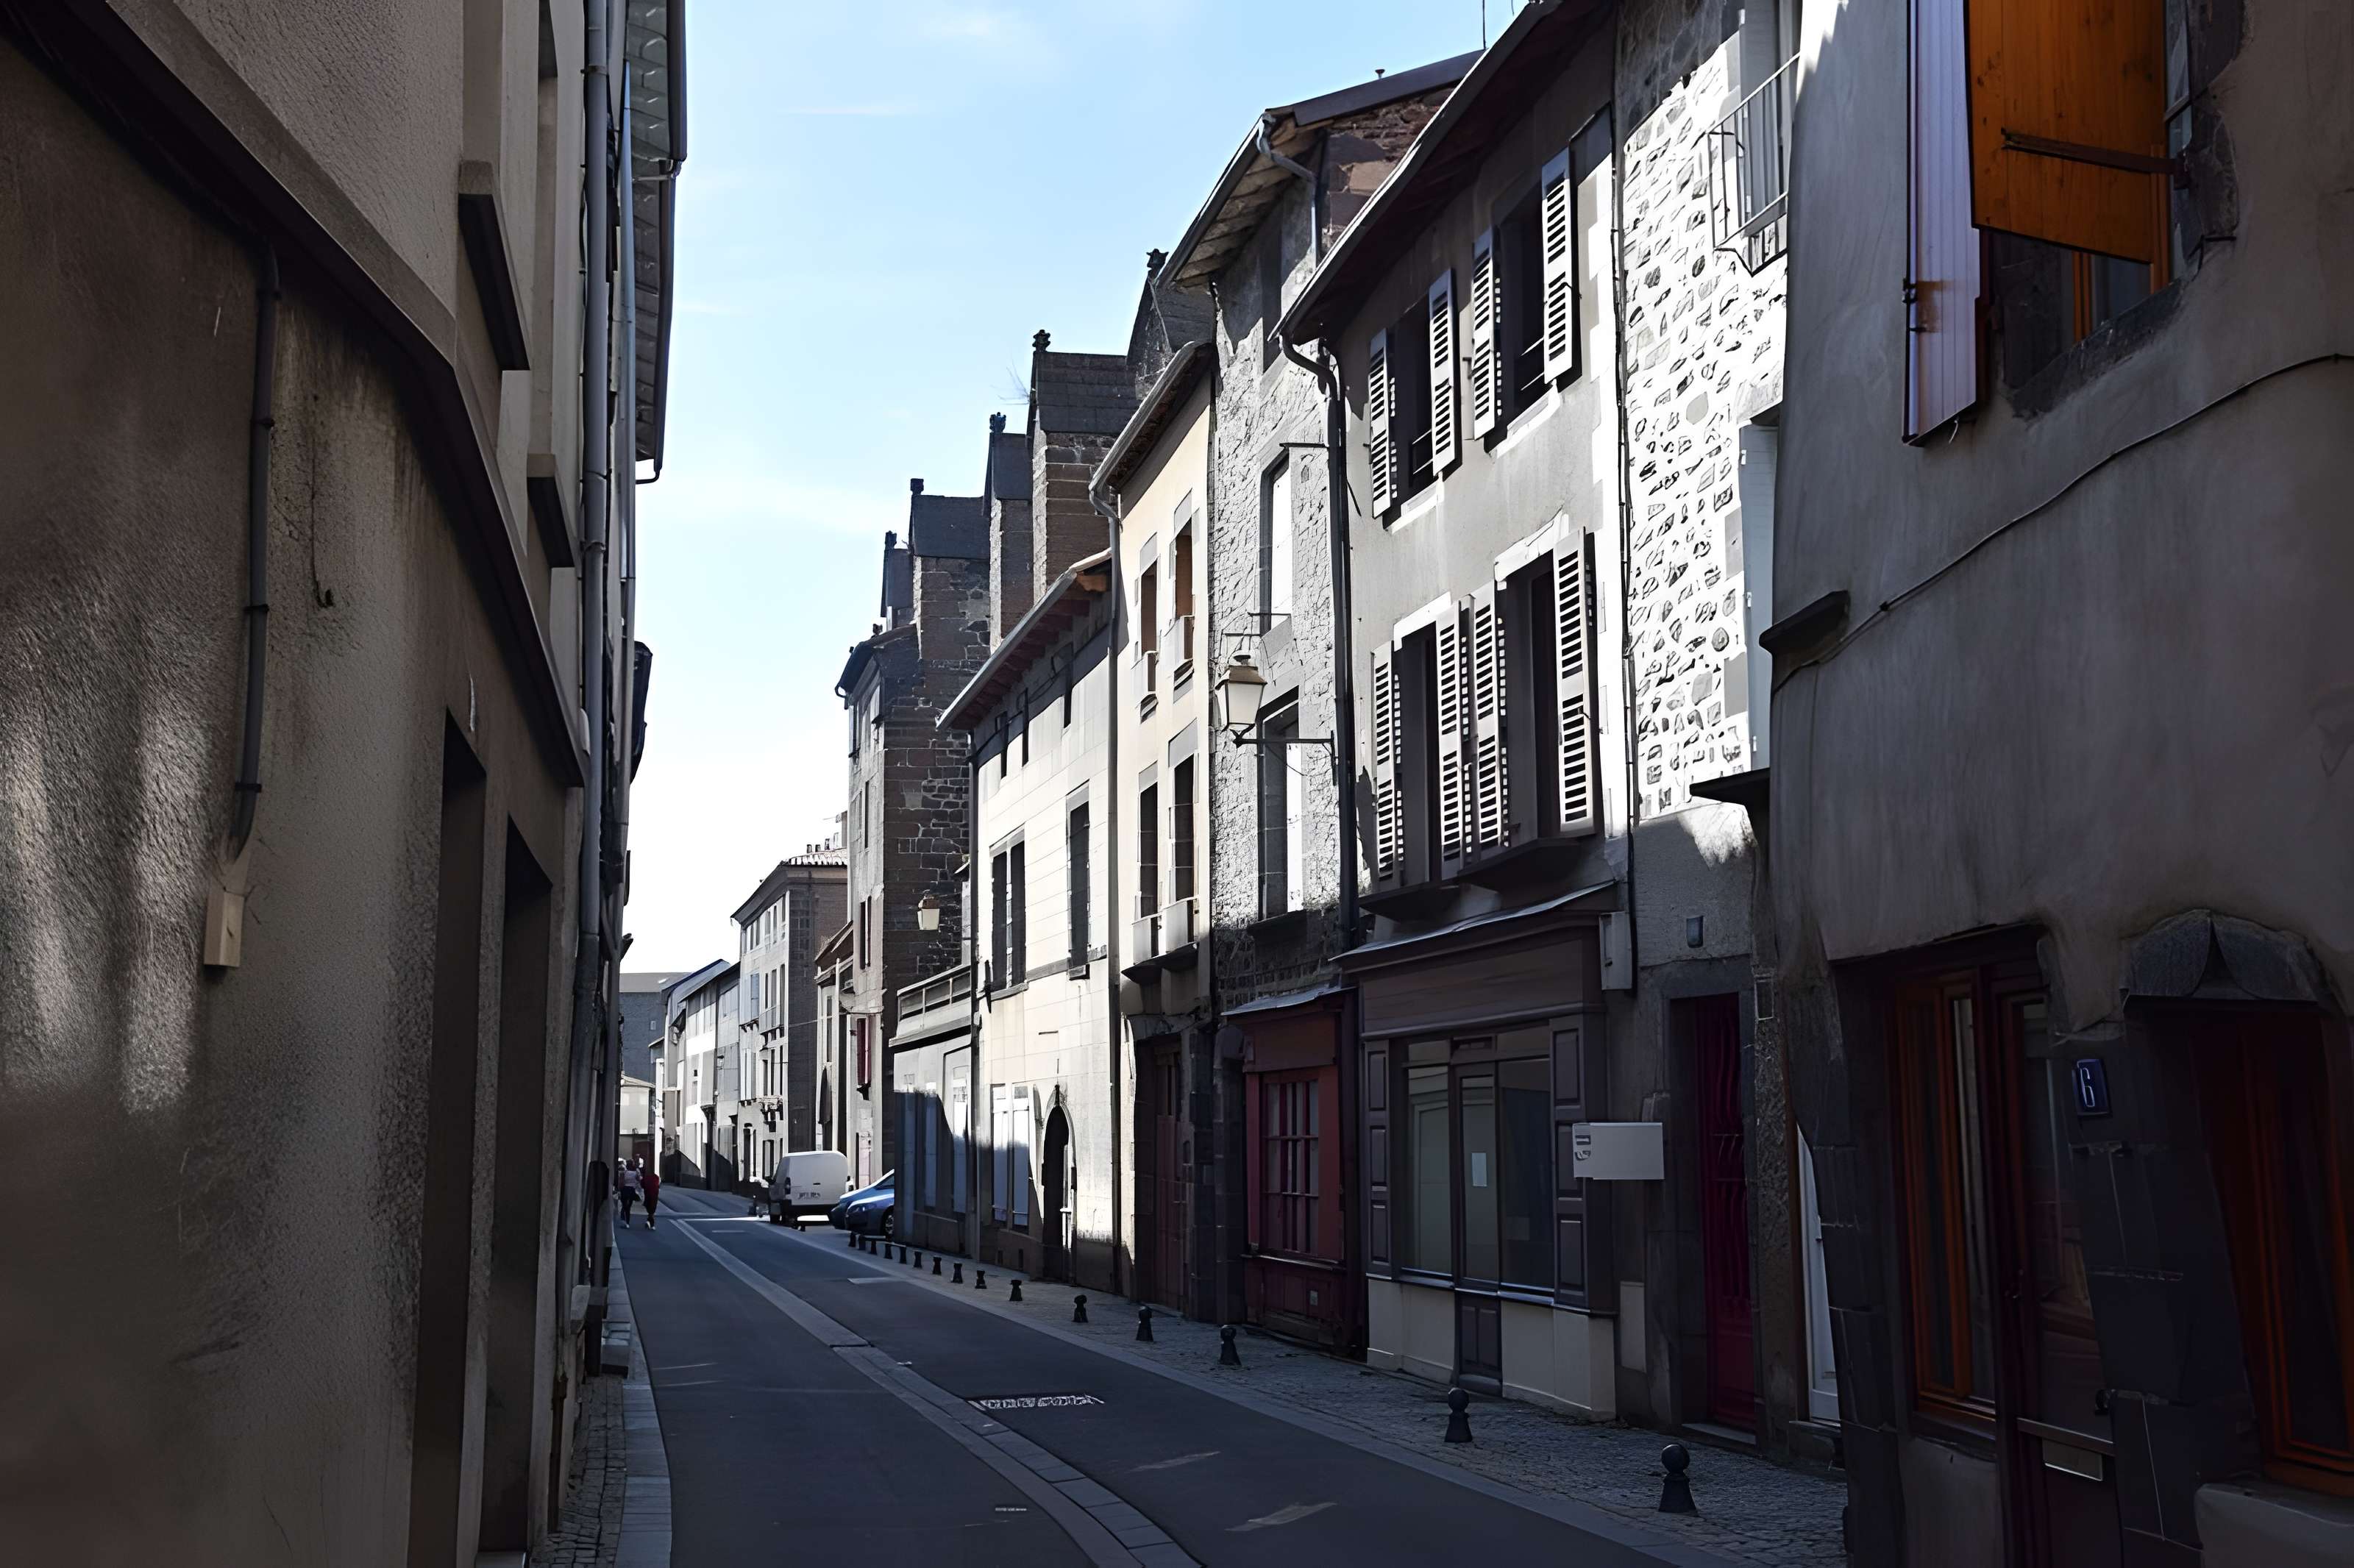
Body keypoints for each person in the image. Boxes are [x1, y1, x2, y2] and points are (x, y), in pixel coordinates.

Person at [618, 1158, 643, 1226]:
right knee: (628, 1207)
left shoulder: (624, 1173)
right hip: (632, 1190)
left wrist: (619, 1190)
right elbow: (639, 1180)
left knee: (624, 1205)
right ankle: (627, 1223)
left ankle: (623, 1219)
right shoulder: (636, 1173)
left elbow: (621, 1183)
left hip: (624, 1190)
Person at [642, 1163, 660, 1227]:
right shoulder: (656, 1177)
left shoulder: (646, 1178)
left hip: (648, 1195)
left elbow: (643, 1185)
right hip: (654, 1195)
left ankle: (650, 1222)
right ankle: (650, 1222)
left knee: (650, 1210)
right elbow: (657, 1185)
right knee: (652, 1210)